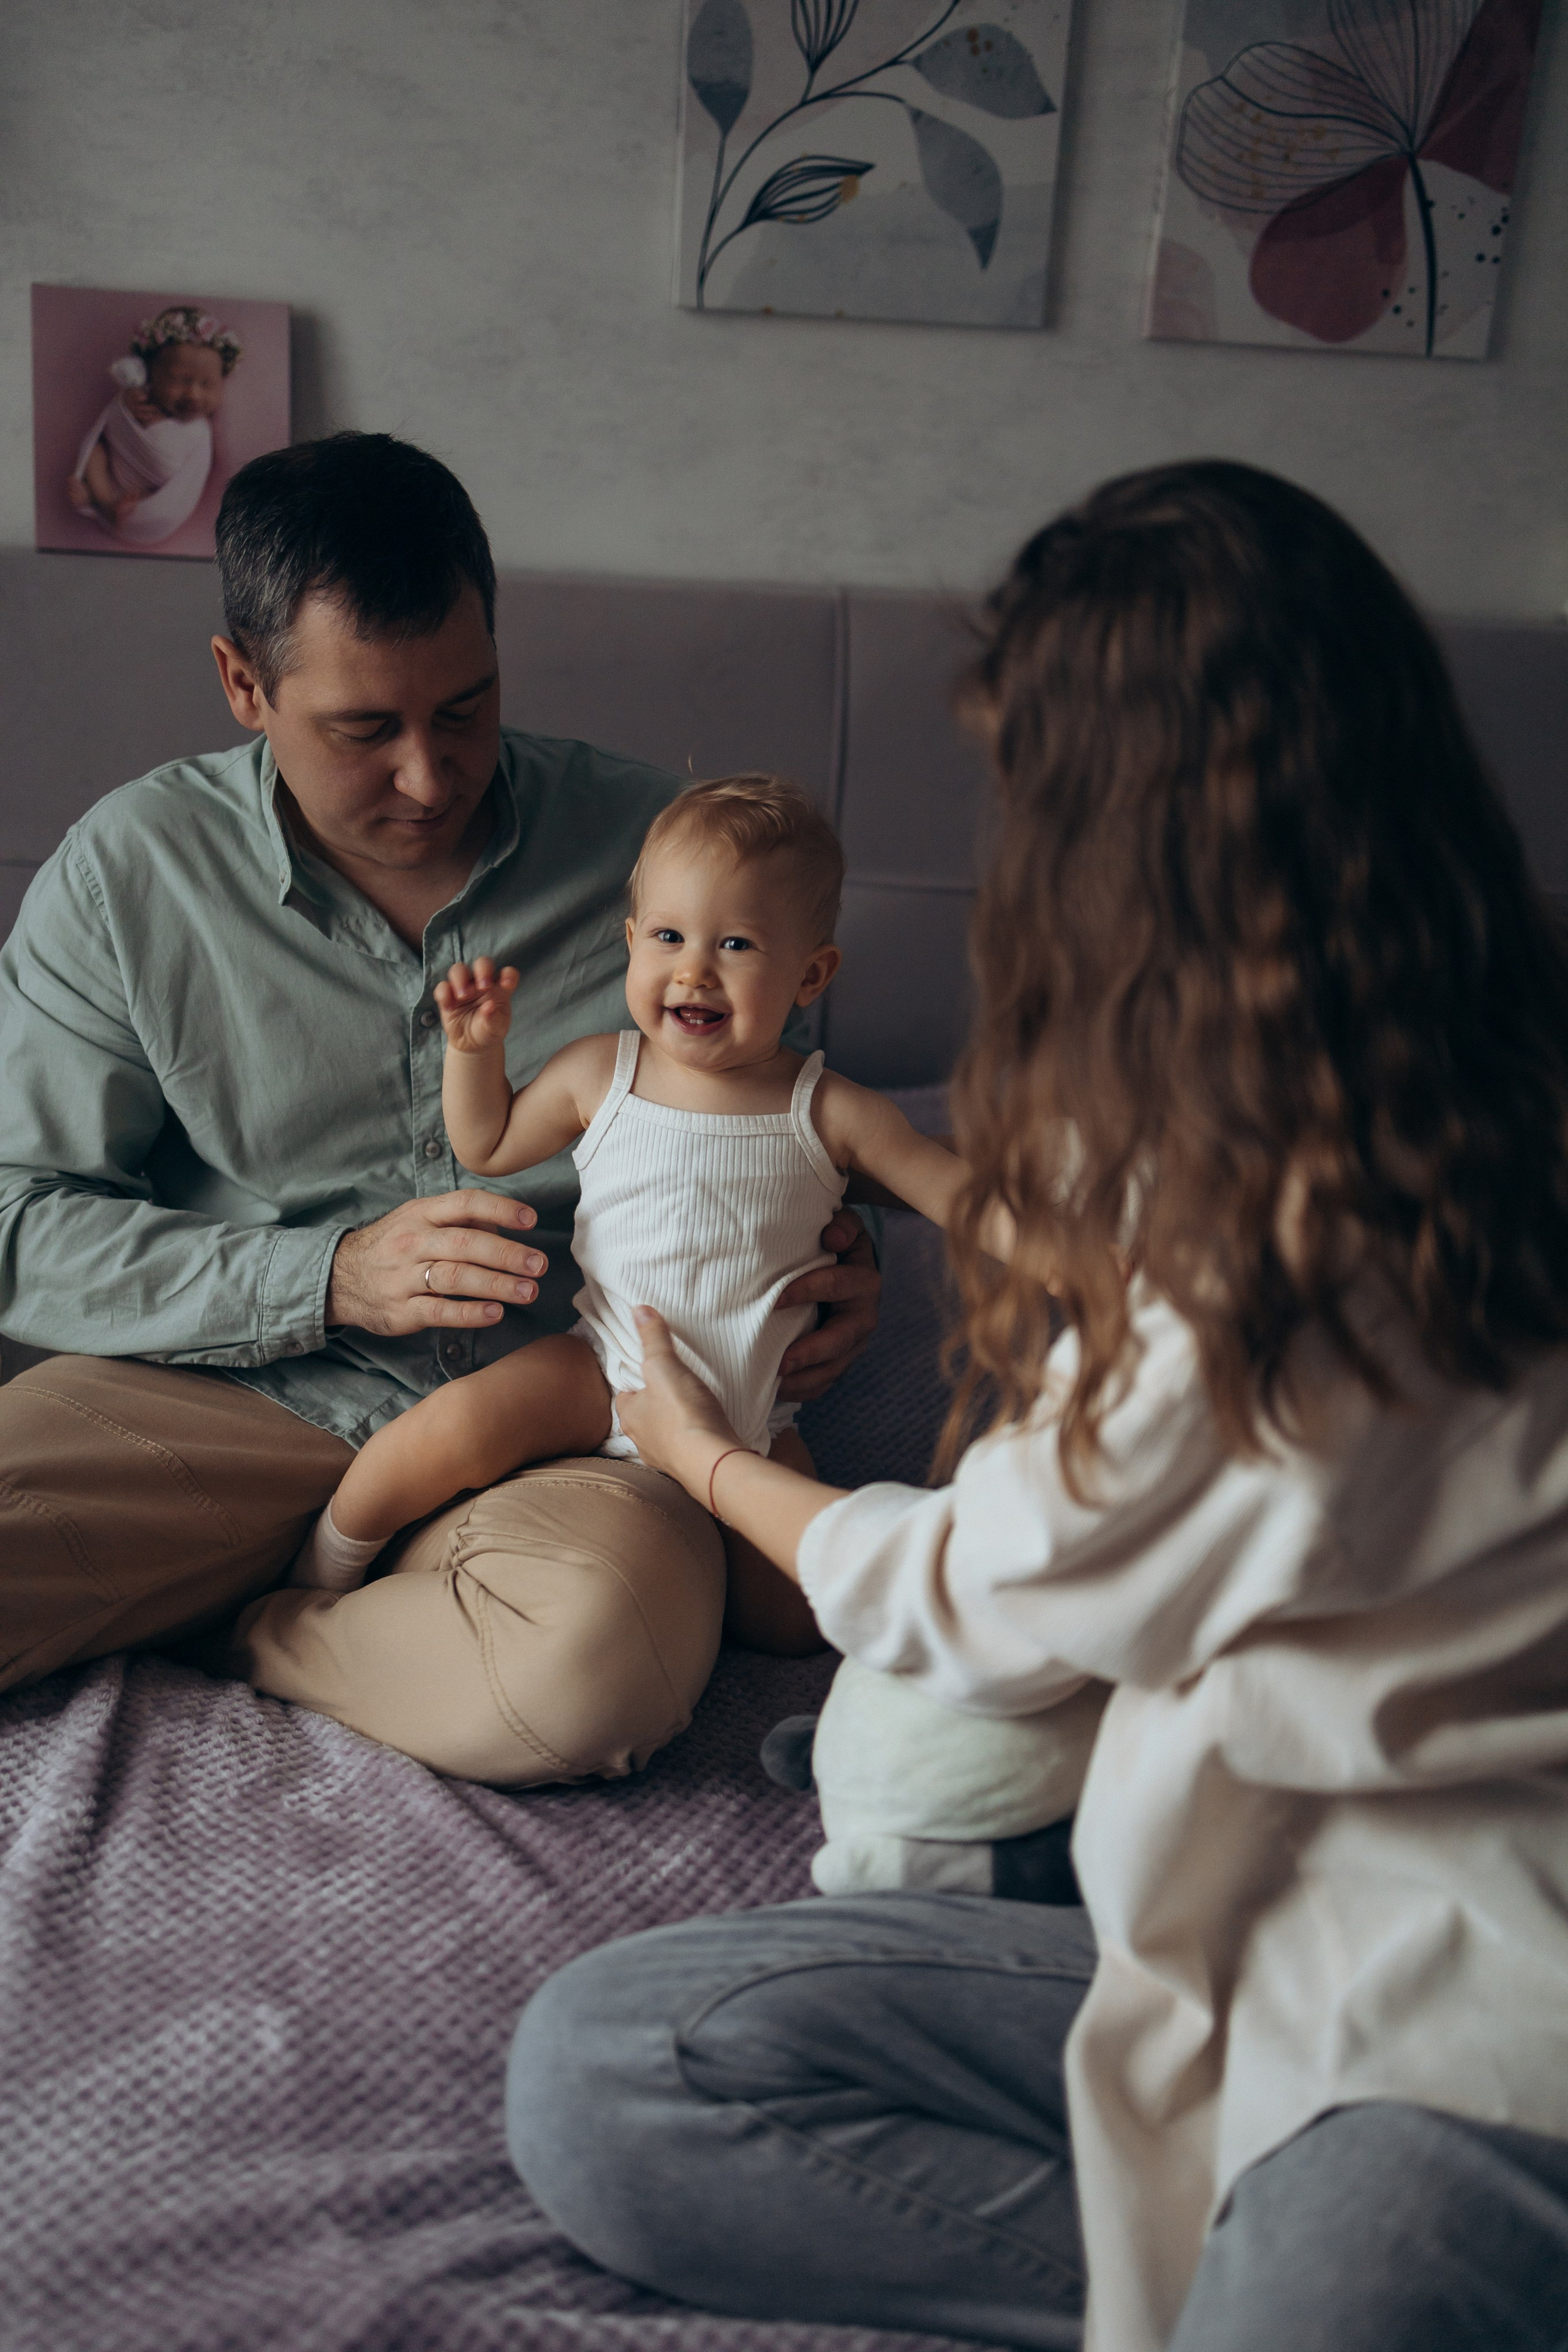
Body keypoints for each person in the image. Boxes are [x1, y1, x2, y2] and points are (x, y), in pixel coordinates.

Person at [505, 461, 1568, 2350]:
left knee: (1327, 2269)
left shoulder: (1315, 1235)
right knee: (614, 2057)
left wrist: (705, 1455)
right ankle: (1225, 2226)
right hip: (1212, 1885)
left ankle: (1273, 2258)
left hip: (1475, 2012)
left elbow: (969, 1592)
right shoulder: (1253, 1121)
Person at [0, 431, 878, 1783]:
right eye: (366, 730)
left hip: (572, 1418)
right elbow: (19, 1223)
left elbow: (780, 1147)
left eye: (463, 709)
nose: (427, 773)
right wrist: (327, 1277)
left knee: (592, 1678)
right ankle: (263, 1583)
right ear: (243, 682)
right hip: (221, 1394)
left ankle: (268, 1631)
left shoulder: (678, 866)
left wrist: (834, 1278)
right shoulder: (130, 875)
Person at [292, 775, 960, 1659]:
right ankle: (319, 1575)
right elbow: (487, 1141)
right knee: (445, 1432)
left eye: (736, 944)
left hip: (747, 1414)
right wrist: (476, 1055)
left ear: (811, 974)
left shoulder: (828, 1109)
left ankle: (681, 1576)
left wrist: (1078, 1242)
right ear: (632, 943)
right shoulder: (601, 1072)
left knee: (796, 1620)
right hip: (601, 1369)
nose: (694, 970)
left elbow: (957, 1194)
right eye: (670, 937)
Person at [66, 304, 240, 545]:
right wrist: (126, 406)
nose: (194, 395)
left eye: (208, 384)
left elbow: (179, 480)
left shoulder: (200, 432)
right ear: (151, 375)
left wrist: (154, 427)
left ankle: (108, 506)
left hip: (150, 494)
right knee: (97, 452)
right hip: (113, 479)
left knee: (147, 502)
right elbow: (110, 425)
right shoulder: (139, 399)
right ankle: (104, 501)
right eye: (180, 381)